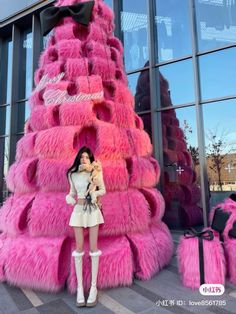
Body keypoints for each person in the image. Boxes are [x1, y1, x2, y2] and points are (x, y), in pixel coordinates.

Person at [66, 146, 106, 307]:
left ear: (91, 159)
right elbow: (71, 192)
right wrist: (69, 197)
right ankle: (80, 289)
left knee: (94, 248)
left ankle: (94, 288)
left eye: (87, 157)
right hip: (78, 210)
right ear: (78, 158)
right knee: (79, 247)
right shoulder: (72, 174)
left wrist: (95, 194)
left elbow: (103, 189)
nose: (84, 159)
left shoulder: (96, 172)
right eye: (82, 157)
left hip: (93, 210)